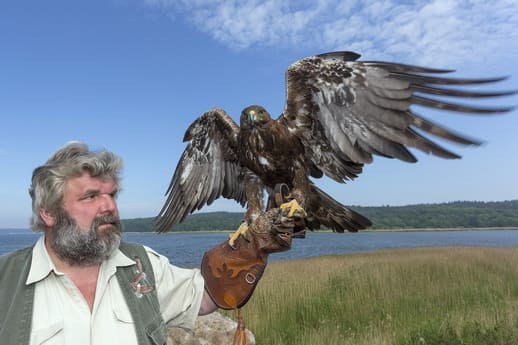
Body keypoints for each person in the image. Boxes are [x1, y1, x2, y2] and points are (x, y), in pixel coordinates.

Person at [0, 141, 220, 345]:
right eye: (90, 196)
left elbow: (205, 296)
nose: (110, 207)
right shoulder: (5, 280)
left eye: (112, 194)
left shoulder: (141, 266)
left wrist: (250, 245)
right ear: (49, 213)